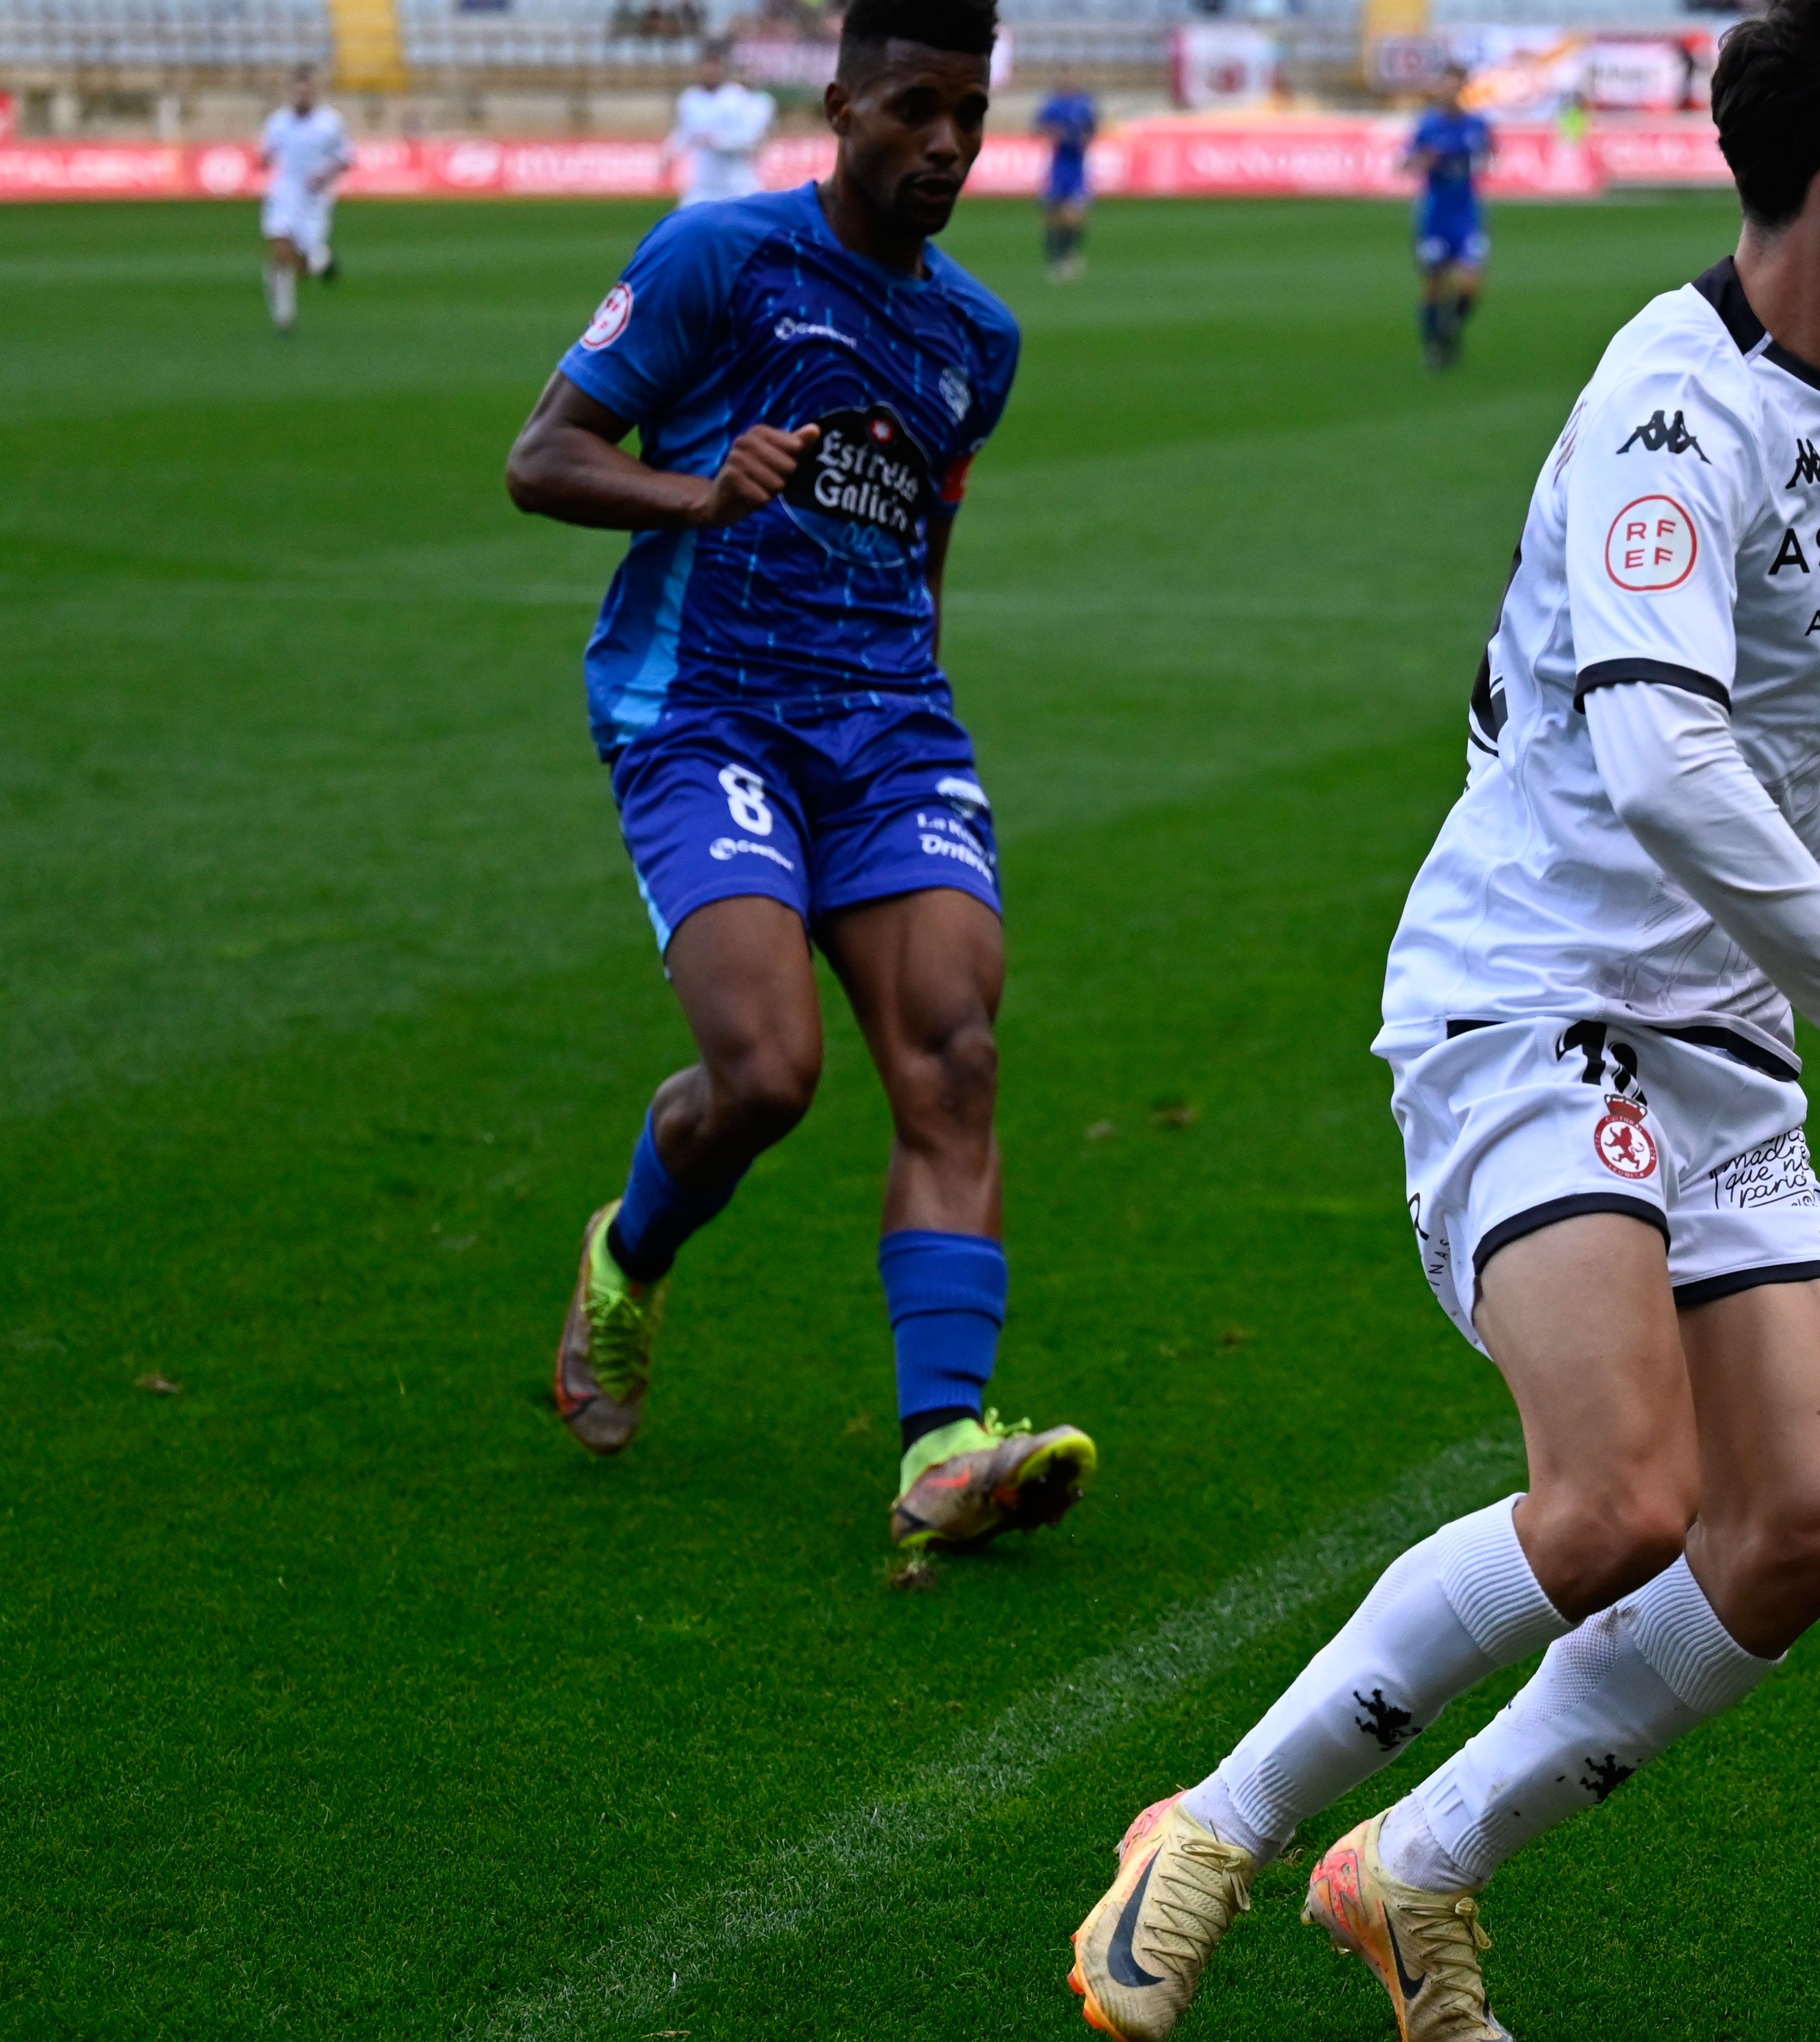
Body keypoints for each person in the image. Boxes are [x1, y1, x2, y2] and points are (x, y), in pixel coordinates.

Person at [1064, 3, 1820, 2037]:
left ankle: (1414, 1868)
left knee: (1803, 1523)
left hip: (1706, 1016)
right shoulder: (1668, 413)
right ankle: (1210, 1827)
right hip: (1533, 994)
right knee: (1612, 1500)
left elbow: (1765, 798)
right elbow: (1665, 769)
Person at [500, 0, 1098, 1556]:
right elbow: (543, 454)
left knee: (954, 1058)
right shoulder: (723, 256)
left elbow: (924, 546)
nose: (949, 145)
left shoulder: (981, 337)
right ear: (840, 103)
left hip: (886, 723)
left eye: (970, 112)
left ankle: (941, 1441)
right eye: (916, 108)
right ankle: (631, 1258)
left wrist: (918, 714)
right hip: (706, 709)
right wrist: (698, 490)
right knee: (766, 1073)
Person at [1403, 73, 1493, 369]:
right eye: (1446, 86)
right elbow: (1406, 164)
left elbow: (1490, 155)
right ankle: (1433, 344)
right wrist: (1425, 160)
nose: (1451, 92)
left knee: (1471, 284)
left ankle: (1448, 327)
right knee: (1434, 284)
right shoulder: (1429, 126)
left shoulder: (1476, 125)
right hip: (1435, 215)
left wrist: (1482, 157)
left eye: (1456, 87)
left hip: (1467, 214)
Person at [258, 67, 352, 332]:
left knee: (301, 264)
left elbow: (345, 158)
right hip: (285, 194)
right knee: (279, 251)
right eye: (299, 90)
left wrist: (324, 176)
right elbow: (267, 153)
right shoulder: (278, 122)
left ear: (314, 92)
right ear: (292, 93)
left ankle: (321, 262)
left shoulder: (330, 123)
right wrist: (264, 160)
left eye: (308, 90)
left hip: (314, 200)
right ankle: (284, 319)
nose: (304, 95)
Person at [667, 43, 779, 209]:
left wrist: (718, 141)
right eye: (706, 66)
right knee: (685, 224)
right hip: (704, 184)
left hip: (737, 184)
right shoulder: (690, 99)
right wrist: (669, 153)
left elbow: (750, 139)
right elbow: (685, 132)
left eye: (715, 66)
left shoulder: (738, 98)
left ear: (723, 69)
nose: (710, 71)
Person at [1034, 76, 1097, 279]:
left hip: (1077, 167)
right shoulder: (1054, 105)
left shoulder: (1084, 105)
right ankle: (1055, 257)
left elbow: (1092, 128)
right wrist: (1054, 133)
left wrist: (1083, 137)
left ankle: (1069, 256)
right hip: (1058, 167)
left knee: (1074, 216)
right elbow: (1039, 126)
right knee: (1053, 215)